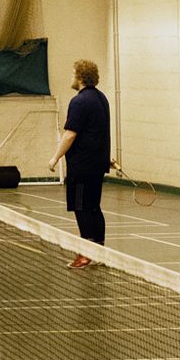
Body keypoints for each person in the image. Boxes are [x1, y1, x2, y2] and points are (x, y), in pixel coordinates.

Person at [48, 59, 113, 268]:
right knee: (94, 207)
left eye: (73, 74)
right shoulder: (102, 98)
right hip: (97, 165)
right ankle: (100, 251)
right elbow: (100, 132)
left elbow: (69, 135)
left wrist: (55, 157)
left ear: (80, 78)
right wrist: (105, 156)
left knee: (81, 207)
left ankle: (85, 254)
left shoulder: (79, 101)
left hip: (82, 167)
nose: (71, 78)